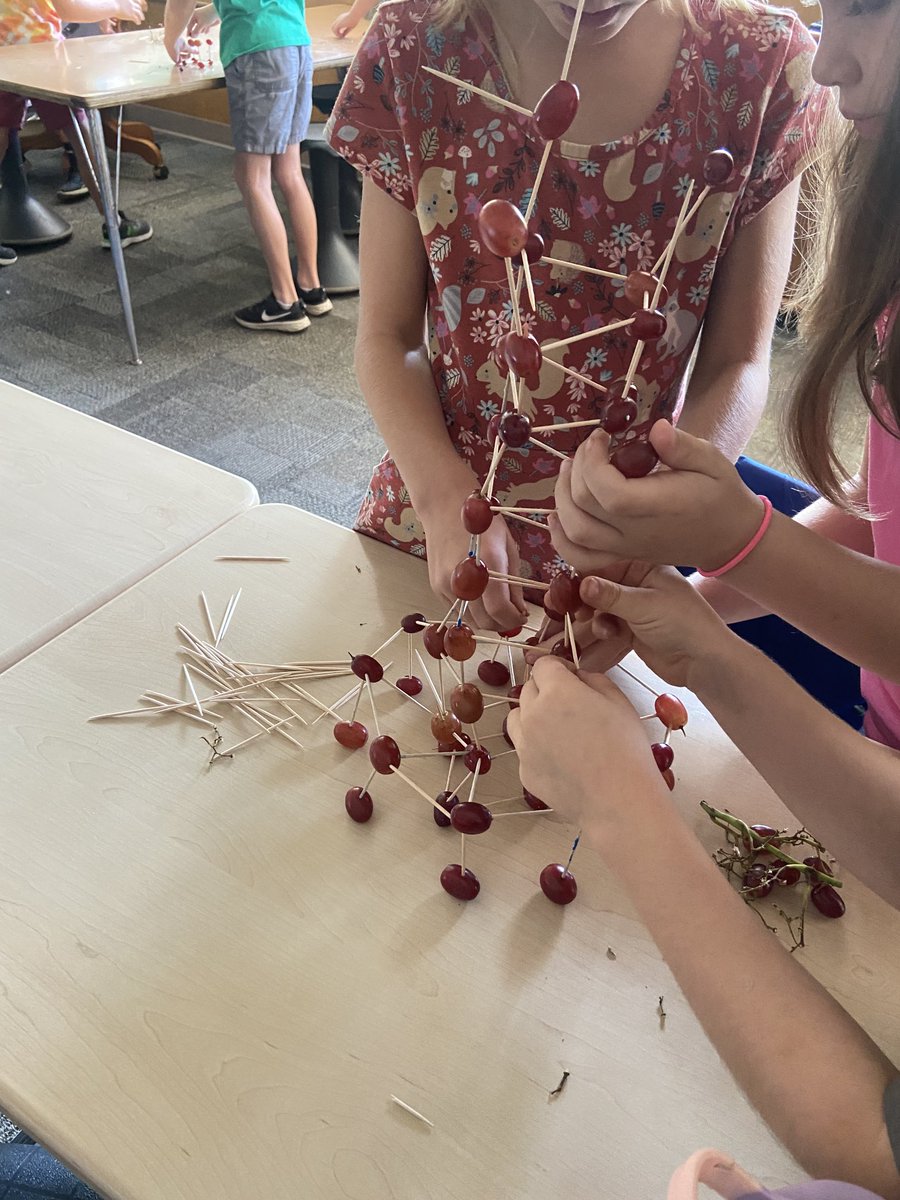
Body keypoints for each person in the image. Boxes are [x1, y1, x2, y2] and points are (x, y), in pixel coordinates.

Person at [324, 0, 827, 631]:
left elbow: (739, 361)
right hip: (432, 531)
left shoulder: (762, 63)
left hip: (624, 561)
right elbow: (386, 337)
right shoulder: (415, 43)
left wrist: (659, 540)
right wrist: (439, 494)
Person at [163, 0, 330, 332]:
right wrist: (213, 11)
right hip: (295, 43)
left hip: (258, 51)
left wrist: (172, 41)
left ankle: (285, 303)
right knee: (289, 171)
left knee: (252, 178)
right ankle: (311, 287)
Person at [0, 0, 153, 250]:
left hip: (4, 51)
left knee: (1, 138)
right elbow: (66, 7)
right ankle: (114, 224)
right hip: (41, 54)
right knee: (81, 137)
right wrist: (114, 7)